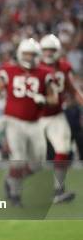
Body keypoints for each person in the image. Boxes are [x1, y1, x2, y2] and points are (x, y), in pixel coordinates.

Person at [0, 38, 58, 206]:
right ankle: (15, 195)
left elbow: (54, 98)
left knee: (38, 164)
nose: (29, 58)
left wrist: (44, 99)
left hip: (36, 123)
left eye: (32, 54)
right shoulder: (8, 70)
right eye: (26, 54)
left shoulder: (45, 73)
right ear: (19, 54)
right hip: (14, 121)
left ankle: (11, 179)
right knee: (19, 159)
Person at [38, 34, 83, 203]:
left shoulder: (64, 67)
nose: (49, 53)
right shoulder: (33, 66)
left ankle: (58, 190)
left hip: (55, 115)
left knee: (63, 150)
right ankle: (12, 185)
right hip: (33, 117)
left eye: (52, 50)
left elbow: (73, 90)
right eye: (46, 50)